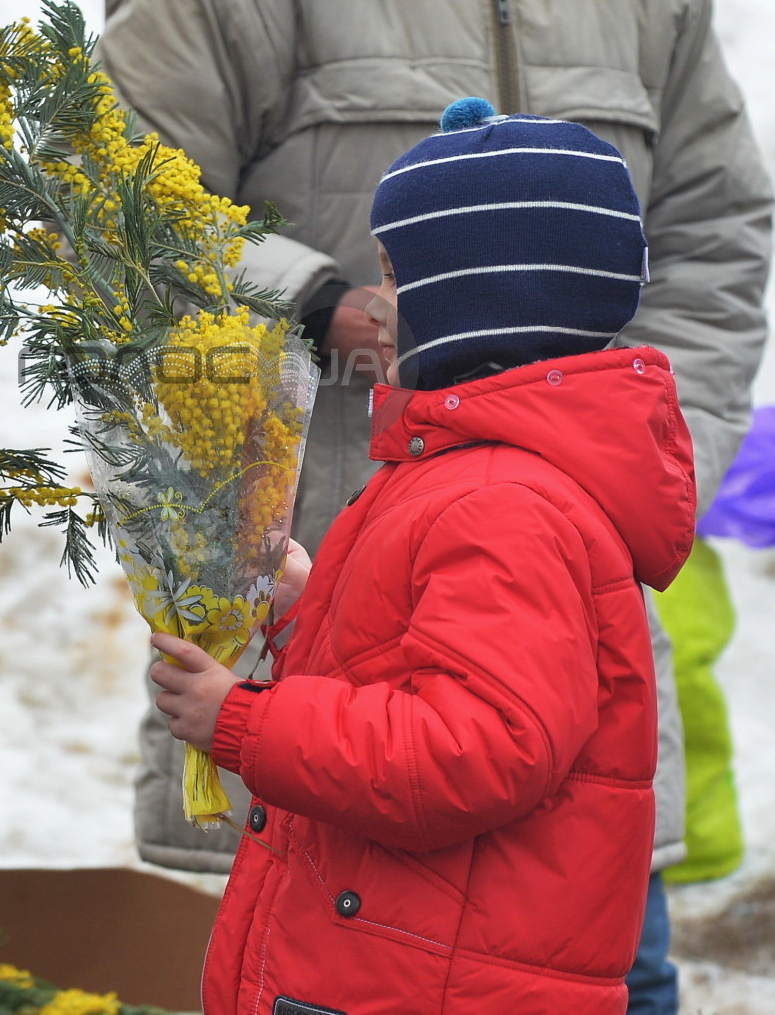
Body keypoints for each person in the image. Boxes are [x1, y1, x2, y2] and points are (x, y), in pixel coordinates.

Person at [99, 0, 773, 1008]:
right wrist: (316, 300)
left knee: (583, 948)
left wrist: (622, 453)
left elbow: (720, 224)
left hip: (526, 608)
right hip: (323, 617)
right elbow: (119, 209)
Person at [151, 100, 696, 1015]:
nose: (378, 304)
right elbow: (452, 661)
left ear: (479, 299)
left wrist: (245, 724)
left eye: (399, 278)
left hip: (432, 980)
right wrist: (319, 601)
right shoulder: (472, 475)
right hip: (408, 958)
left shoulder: (502, 501)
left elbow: (478, 746)